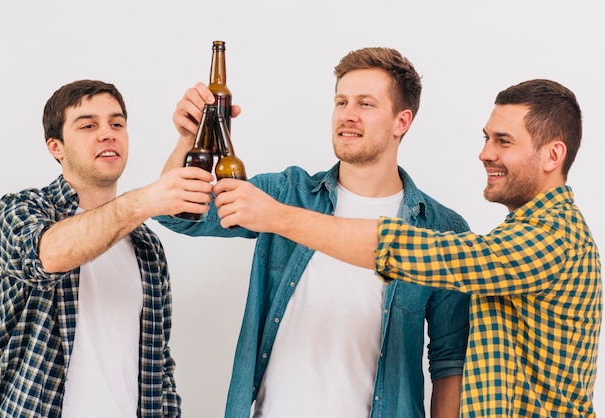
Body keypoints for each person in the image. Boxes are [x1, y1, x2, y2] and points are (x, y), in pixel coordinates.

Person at [214, 78, 603, 417]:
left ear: (554, 155)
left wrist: (277, 218)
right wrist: (192, 140)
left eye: (503, 141)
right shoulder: (516, 234)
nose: (485, 153)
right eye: (486, 138)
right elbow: (181, 215)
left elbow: (417, 255)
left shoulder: (553, 238)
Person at [156, 47, 471, 417]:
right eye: (341, 102)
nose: (347, 115)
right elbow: (178, 214)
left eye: (366, 104)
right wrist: (190, 139)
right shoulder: (287, 192)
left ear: (401, 121)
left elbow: (449, 360)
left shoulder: (442, 230)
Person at [0, 79, 213, 417]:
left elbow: (157, 362)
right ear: (55, 147)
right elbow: (48, 255)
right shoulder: (23, 209)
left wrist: (187, 141)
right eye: (88, 125)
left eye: (116, 123)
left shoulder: (146, 245)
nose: (107, 133)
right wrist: (145, 200)